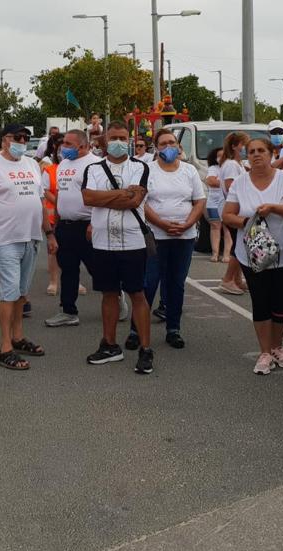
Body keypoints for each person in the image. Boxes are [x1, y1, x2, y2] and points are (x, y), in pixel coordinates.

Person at [222, 137, 283, 374]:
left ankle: (278, 347)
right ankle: (264, 352)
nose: (257, 155)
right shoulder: (240, 183)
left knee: (281, 303)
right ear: (246, 156)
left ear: (271, 154)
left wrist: (274, 208)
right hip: (252, 255)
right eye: (251, 152)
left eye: (262, 150)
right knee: (261, 302)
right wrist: (249, 223)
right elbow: (227, 215)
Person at [0, 123, 52, 370]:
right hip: (6, 238)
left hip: (31, 237)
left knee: (22, 292)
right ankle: (5, 347)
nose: (22, 141)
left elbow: (40, 201)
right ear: (5, 139)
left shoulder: (30, 164)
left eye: (26, 137)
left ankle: (18, 336)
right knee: (8, 294)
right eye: (17, 137)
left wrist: (50, 234)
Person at [82, 121, 154, 374]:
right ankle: (110, 345)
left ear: (130, 139)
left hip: (133, 241)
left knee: (137, 294)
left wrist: (108, 198)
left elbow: (134, 202)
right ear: (104, 140)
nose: (118, 142)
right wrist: (122, 194)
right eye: (113, 137)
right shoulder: (93, 168)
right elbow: (88, 198)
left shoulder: (140, 167)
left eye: (123, 137)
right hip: (103, 241)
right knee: (108, 293)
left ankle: (145, 349)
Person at [142, 129, 206, 349]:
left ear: (179, 147)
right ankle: (137, 330)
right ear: (156, 147)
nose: (168, 147)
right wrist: (161, 223)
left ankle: (173, 329)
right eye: (163, 144)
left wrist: (188, 223)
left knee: (176, 284)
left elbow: (199, 201)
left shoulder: (189, 171)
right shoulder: (147, 170)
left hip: (184, 236)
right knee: (149, 283)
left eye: (172, 143)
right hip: (156, 237)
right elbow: (142, 202)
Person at [46, 130, 96, 328]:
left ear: (82, 146)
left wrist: (94, 223)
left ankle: (116, 297)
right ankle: (68, 311)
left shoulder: (94, 165)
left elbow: (99, 196)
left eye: (67, 143)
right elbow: (60, 194)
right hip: (65, 226)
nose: (62, 147)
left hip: (87, 226)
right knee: (68, 269)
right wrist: (56, 221)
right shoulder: (63, 165)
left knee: (97, 268)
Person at [218, 131, 252, 295]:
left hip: (239, 209)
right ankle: (227, 279)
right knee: (239, 246)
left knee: (241, 243)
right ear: (234, 146)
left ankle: (237, 279)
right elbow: (232, 187)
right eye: (244, 144)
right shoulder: (231, 164)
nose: (247, 147)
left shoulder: (238, 164)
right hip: (235, 210)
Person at [40, 138, 62, 296]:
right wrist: (60, 203)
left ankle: (76, 282)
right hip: (53, 214)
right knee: (53, 249)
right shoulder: (50, 170)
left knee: (72, 251)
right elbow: (45, 191)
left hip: (72, 217)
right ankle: (54, 281)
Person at [205, 146, 231, 264]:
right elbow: (210, 181)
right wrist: (225, 182)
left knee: (227, 228)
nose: (221, 158)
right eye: (218, 156)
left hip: (228, 202)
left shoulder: (231, 167)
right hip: (213, 202)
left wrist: (220, 182)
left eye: (223, 155)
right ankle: (215, 253)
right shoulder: (213, 168)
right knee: (215, 226)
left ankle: (226, 254)